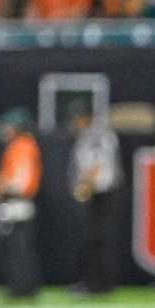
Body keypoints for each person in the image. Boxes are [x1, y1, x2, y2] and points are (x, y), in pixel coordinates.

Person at [68, 104, 123, 295]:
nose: (75, 123)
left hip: (102, 193)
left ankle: (97, 283)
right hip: (98, 192)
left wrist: (85, 186)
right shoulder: (88, 135)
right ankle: (97, 282)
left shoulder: (97, 135)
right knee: (94, 240)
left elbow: (98, 164)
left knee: (96, 239)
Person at [0, 109, 42, 299]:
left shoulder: (21, 146)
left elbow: (18, 180)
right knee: (21, 247)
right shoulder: (25, 145)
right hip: (20, 202)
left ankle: (21, 287)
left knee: (17, 248)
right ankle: (25, 286)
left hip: (17, 202)